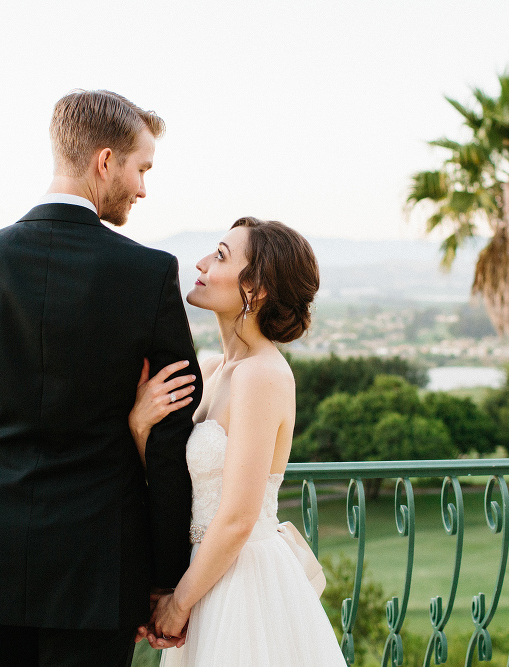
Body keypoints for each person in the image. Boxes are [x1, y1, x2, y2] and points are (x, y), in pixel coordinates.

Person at [0, 89, 202, 667]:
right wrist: (167, 572)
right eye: (141, 169)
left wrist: (4, 475)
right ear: (105, 161)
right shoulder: (148, 274)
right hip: (99, 569)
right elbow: (171, 436)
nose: (143, 188)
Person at [128, 217, 347, 665]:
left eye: (221, 256)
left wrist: (180, 603)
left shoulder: (262, 375)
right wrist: (139, 425)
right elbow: (177, 486)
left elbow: (239, 515)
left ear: (257, 288)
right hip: (202, 574)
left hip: (242, 583)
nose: (203, 263)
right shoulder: (210, 369)